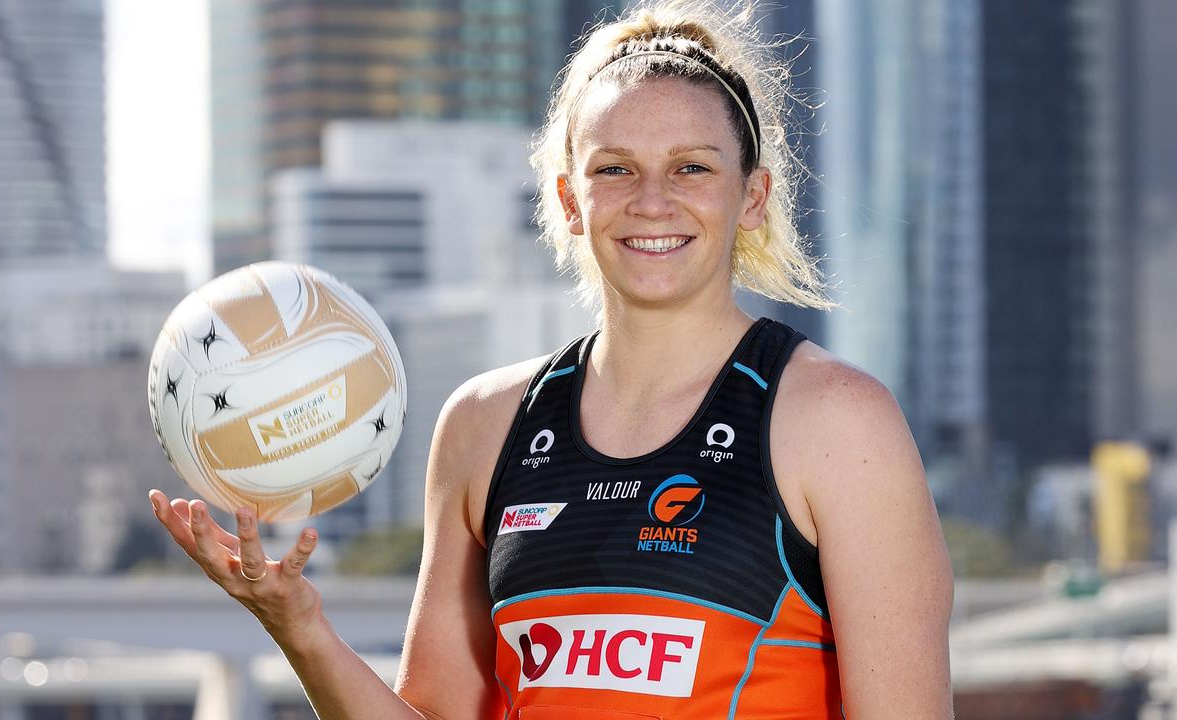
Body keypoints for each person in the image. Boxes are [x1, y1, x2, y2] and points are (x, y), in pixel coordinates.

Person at [149, 1, 954, 717]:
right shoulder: (484, 426)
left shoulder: (834, 421)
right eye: (614, 170)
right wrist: (298, 624)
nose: (652, 200)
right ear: (570, 200)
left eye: (691, 168)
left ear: (752, 196)